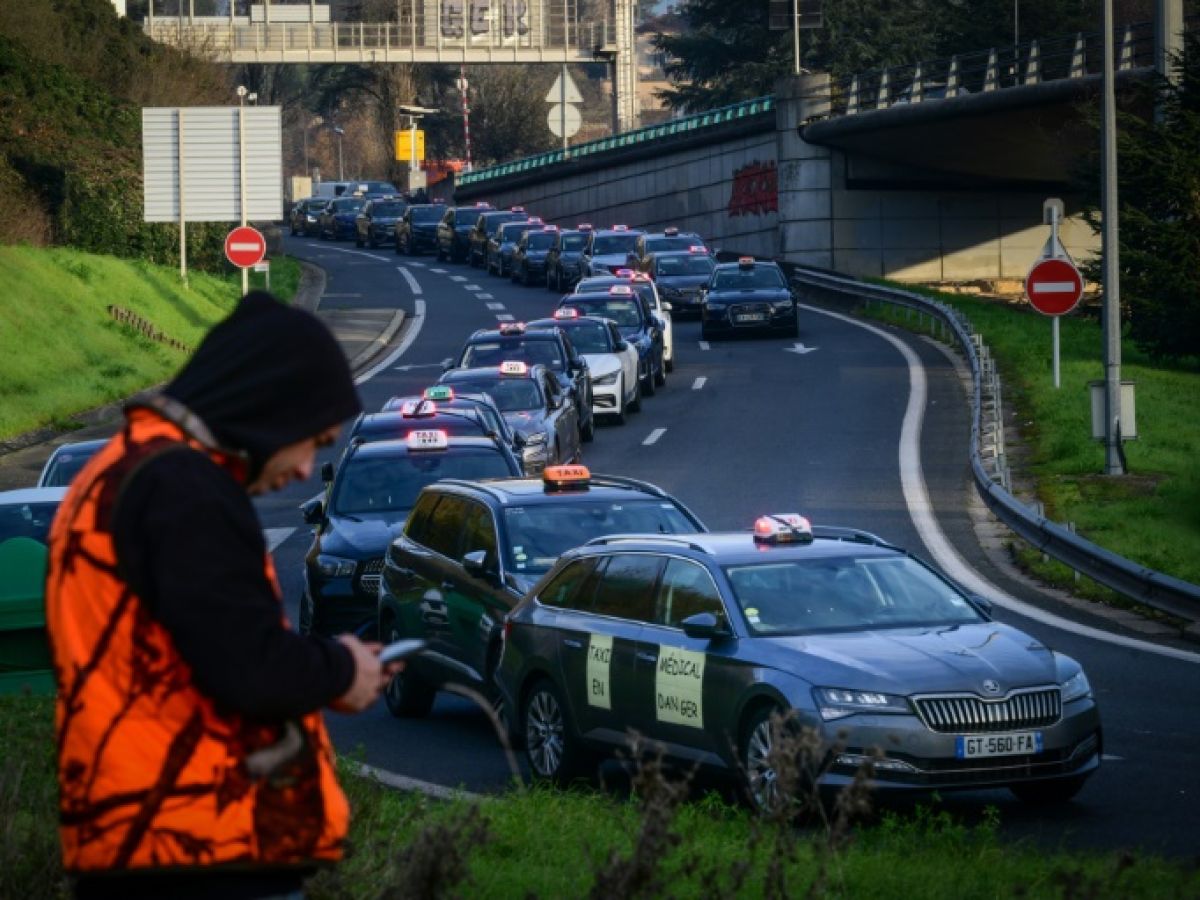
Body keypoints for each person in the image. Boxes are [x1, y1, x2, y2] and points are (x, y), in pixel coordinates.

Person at [45, 291, 393, 899]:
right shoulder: (186, 491)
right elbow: (245, 663)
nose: (309, 469)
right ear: (273, 411)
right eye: (313, 440)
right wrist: (343, 670)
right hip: (197, 845)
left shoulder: (121, 473)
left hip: (141, 833)